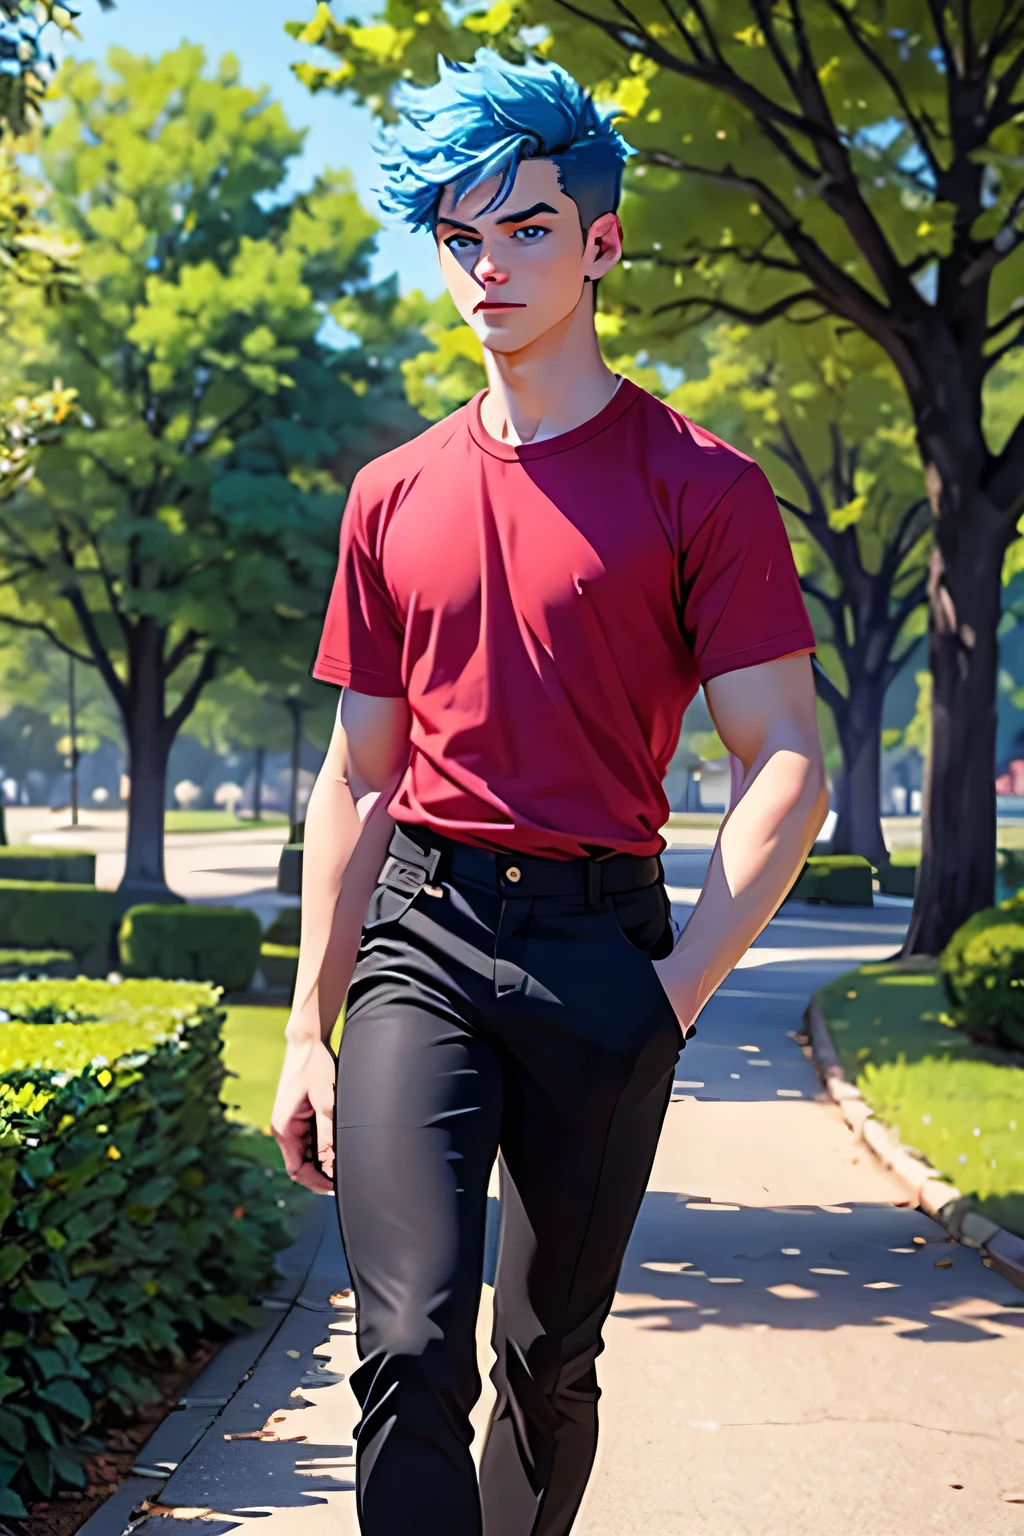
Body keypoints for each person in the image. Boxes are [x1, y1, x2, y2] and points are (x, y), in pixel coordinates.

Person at [270, 49, 827, 1536]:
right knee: (401, 1349)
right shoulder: (390, 493)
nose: (490, 265)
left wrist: (682, 984)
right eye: (462, 236)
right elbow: (360, 774)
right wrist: (306, 1025)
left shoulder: (701, 485)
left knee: (548, 1361)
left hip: (609, 957)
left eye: (526, 227)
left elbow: (786, 754)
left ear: (601, 243)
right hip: (425, 944)